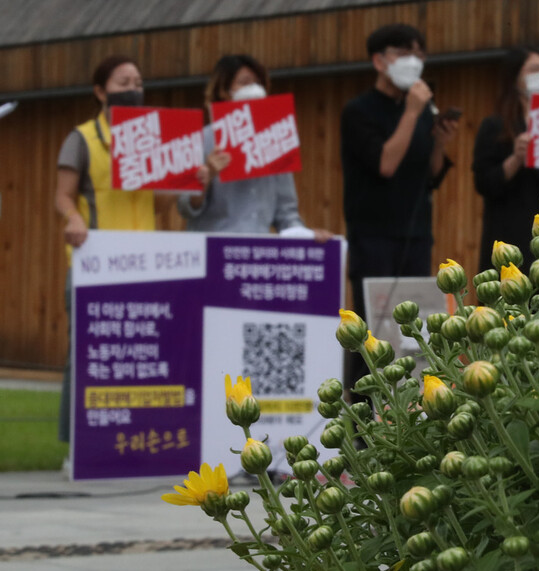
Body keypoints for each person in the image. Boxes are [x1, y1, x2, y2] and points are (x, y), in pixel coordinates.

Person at [340, 23, 457, 396]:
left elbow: (431, 175)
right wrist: (412, 112)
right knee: (373, 332)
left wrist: (438, 142)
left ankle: (407, 410)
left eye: (419, 54)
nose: (414, 61)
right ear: (379, 60)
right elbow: (385, 164)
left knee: (410, 330)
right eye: (404, 52)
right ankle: (361, 423)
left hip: (416, 233)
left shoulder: (420, 112)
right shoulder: (358, 111)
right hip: (373, 236)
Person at [53, 55, 156, 446]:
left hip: (147, 263)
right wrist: (73, 219)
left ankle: (130, 441)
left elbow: (161, 203)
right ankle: (74, 445)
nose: (133, 88)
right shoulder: (81, 138)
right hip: (96, 262)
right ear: (101, 92)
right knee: (85, 354)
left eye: (138, 81)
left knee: (141, 355)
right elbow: (63, 195)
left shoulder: (152, 139)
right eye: (123, 82)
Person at [177, 54, 331, 241]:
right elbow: (185, 208)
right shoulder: (203, 139)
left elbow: (286, 214)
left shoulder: (275, 138)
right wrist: (206, 178)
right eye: (245, 82)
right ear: (224, 90)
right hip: (214, 249)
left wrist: (307, 235)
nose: (254, 89)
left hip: (257, 252)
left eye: (258, 83)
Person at [472, 47, 539, 274]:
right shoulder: (496, 127)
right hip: (513, 239)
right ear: (515, 78)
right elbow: (485, 183)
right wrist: (515, 158)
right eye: (535, 69)